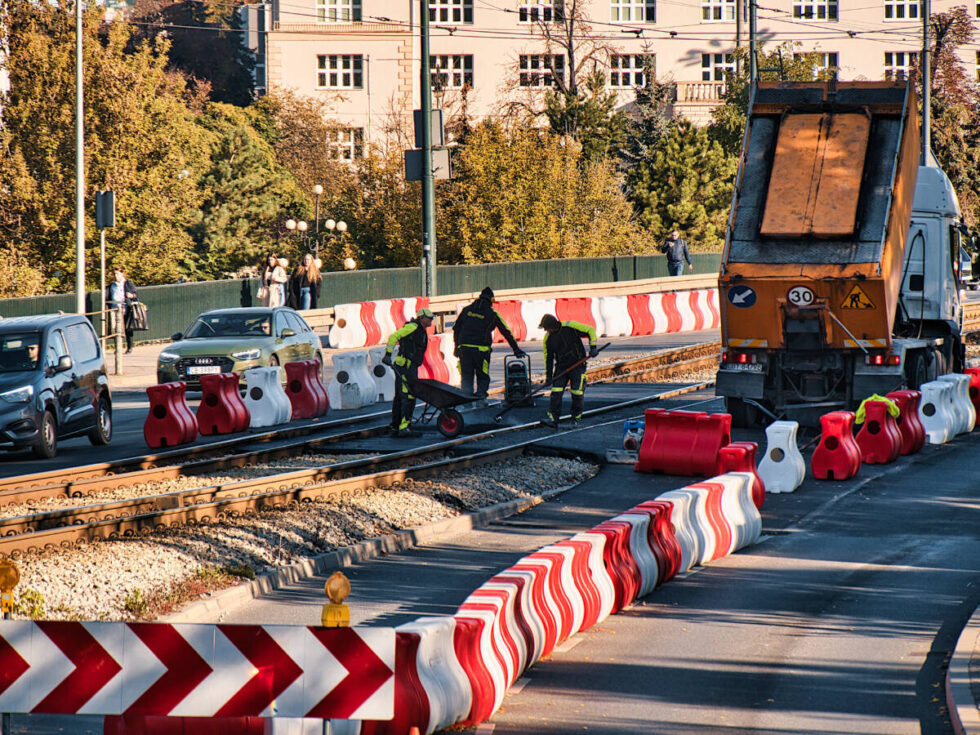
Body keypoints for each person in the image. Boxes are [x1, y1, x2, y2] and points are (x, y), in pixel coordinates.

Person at [452, 286, 526, 397]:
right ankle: (481, 399)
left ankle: (466, 401)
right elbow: (506, 331)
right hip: (481, 350)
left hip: (464, 348)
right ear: (491, 300)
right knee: (482, 375)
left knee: (467, 376)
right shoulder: (492, 314)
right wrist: (516, 349)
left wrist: (456, 347)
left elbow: (456, 328)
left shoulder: (466, 310)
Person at [382, 307, 435, 437]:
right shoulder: (413, 327)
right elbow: (394, 336)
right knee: (408, 396)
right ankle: (403, 427)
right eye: (429, 318)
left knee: (401, 396)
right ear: (421, 317)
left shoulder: (420, 330)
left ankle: (396, 426)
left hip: (408, 366)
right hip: (406, 366)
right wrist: (388, 354)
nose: (431, 320)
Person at [539, 314, 598, 428]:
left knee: (577, 392)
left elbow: (590, 330)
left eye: (546, 328)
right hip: (561, 367)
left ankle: (575, 418)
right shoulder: (548, 338)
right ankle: (553, 419)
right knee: (556, 392)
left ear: (552, 326)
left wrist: (593, 347)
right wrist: (549, 376)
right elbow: (549, 358)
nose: (546, 330)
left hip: (578, 365)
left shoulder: (571, 327)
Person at [106, 267, 138, 353]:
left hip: (126, 308)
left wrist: (131, 296)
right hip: (115, 309)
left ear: (122, 274)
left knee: (128, 328)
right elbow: (107, 297)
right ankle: (118, 348)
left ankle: (130, 347)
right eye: (115, 274)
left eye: (118, 274)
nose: (116, 276)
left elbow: (135, 294)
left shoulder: (127, 283)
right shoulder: (111, 286)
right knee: (115, 329)